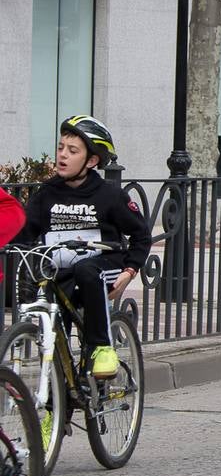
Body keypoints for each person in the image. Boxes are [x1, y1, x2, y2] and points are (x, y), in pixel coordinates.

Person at [17, 115, 150, 381]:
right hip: (60, 273)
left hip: (103, 269)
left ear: (92, 161)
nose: (62, 155)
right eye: (60, 147)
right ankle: (57, 415)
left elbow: (141, 235)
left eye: (72, 150)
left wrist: (129, 271)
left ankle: (102, 347)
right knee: (57, 345)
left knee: (87, 269)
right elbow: (25, 234)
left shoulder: (109, 195)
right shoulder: (46, 194)